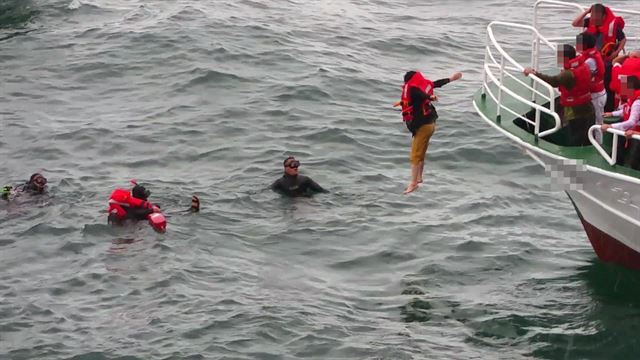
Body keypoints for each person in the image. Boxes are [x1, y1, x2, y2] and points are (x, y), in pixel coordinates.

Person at [396, 70, 462, 193]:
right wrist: (451, 79)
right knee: (421, 152)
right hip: (430, 125)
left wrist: (430, 97)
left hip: (423, 127)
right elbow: (436, 83)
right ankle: (419, 178)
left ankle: (413, 183)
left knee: (415, 155)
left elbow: (422, 95)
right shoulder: (424, 85)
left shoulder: (413, 90)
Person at [524, 44, 595, 146]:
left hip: (575, 111)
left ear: (565, 58)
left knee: (575, 138)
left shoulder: (568, 74)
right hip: (588, 107)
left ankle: (573, 159)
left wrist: (535, 73)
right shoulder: (584, 66)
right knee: (588, 137)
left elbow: (553, 81)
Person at [572, 3, 626, 111]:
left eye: (597, 17)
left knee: (608, 86)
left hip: (607, 60)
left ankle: (608, 109)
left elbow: (623, 39)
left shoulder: (613, 26)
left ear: (604, 16)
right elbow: (574, 23)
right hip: (593, 59)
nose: (594, 19)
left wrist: (616, 53)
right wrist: (587, 12)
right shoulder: (589, 22)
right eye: (592, 16)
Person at [601, 75, 640, 168]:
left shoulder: (637, 103)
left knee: (635, 161)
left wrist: (611, 126)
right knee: (619, 147)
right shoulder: (632, 98)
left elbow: (632, 121)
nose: (622, 91)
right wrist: (612, 114)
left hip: (636, 134)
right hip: (629, 131)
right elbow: (626, 110)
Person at [577, 32, 607, 143]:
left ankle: (599, 145)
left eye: (579, 42)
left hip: (597, 95)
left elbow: (581, 76)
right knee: (596, 120)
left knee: (598, 122)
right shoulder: (593, 55)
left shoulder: (589, 61)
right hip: (599, 93)